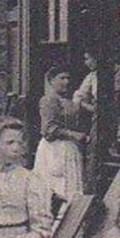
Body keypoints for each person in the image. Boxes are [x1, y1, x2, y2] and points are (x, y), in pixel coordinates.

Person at [34, 67, 87, 208]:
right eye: (62, 78)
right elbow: (48, 129)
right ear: (51, 81)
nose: (66, 81)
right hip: (54, 148)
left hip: (68, 147)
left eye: (68, 78)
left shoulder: (66, 100)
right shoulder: (49, 100)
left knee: (70, 187)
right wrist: (73, 134)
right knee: (57, 186)